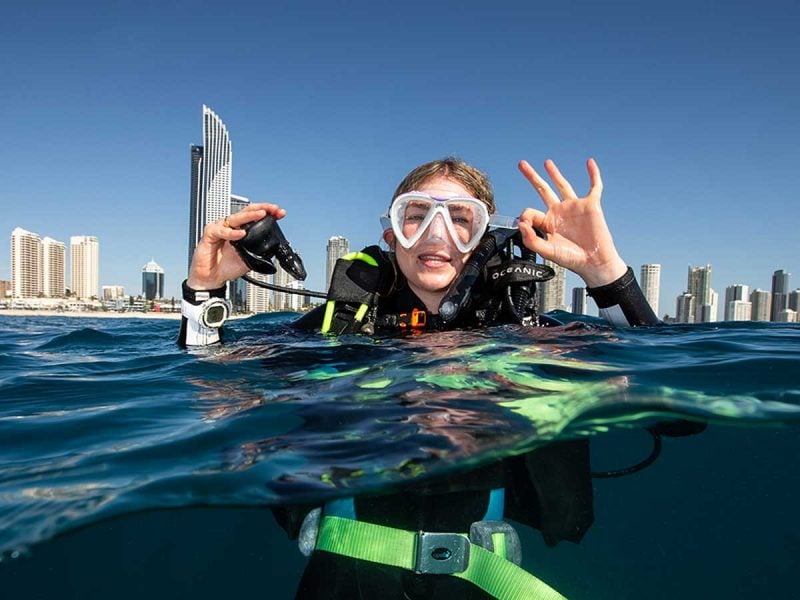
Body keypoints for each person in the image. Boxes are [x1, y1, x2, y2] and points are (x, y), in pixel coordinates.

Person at [178, 158, 672, 599]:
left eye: (461, 220)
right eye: (416, 216)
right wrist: (203, 291)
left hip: (483, 577)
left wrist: (606, 272)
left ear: (483, 239)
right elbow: (208, 393)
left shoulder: (529, 337)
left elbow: (676, 417)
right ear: (392, 236)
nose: (437, 236)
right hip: (345, 574)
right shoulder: (338, 332)